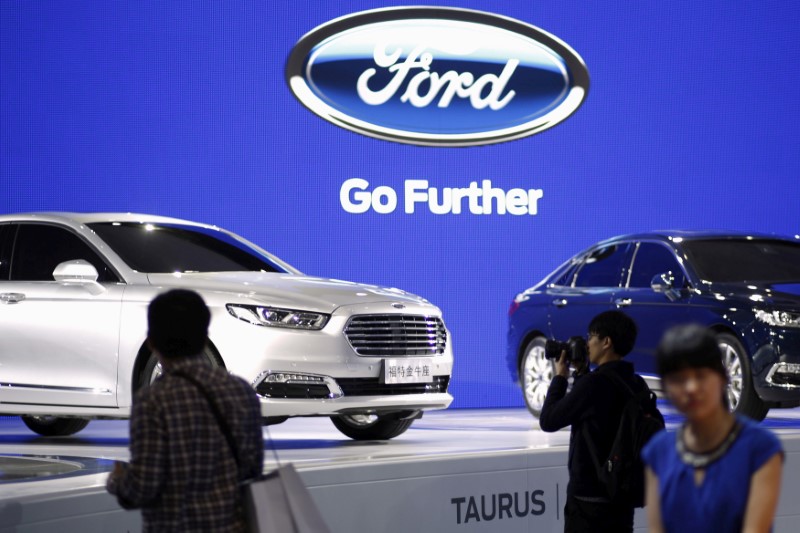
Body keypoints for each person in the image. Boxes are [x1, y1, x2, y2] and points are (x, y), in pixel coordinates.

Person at [107, 289, 264, 532]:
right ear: (204, 337)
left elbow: (142, 487)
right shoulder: (240, 391)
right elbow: (252, 467)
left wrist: (117, 480)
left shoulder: (153, 400)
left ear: (152, 341)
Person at [642, 324, 783, 532]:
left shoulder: (759, 448)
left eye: (700, 375)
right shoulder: (658, 451)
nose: (690, 388)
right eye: (678, 380)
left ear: (723, 377)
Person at [539, 310, 661, 532]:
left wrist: (560, 377)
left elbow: (549, 420)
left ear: (606, 342)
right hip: (622, 500)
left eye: (591, 337)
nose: (587, 344)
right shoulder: (637, 384)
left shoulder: (593, 385)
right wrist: (582, 373)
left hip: (588, 503)